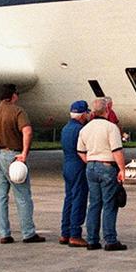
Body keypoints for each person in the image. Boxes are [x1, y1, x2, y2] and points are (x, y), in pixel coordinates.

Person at [0, 83, 43, 244]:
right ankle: (28, 233)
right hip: (12, 156)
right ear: (13, 96)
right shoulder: (18, 111)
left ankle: (4, 234)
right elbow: (27, 131)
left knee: (0, 197)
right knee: (22, 197)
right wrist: (24, 154)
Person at [77, 97, 127, 251]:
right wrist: (122, 169)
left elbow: (80, 151)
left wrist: (91, 162)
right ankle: (110, 240)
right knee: (110, 204)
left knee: (94, 204)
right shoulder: (111, 127)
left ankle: (92, 240)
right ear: (107, 110)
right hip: (107, 166)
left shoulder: (85, 129)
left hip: (91, 166)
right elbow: (116, 150)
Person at [59, 99, 90, 247]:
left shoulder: (65, 128)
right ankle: (75, 234)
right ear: (83, 114)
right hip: (78, 165)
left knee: (69, 199)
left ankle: (65, 232)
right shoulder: (81, 130)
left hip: (67, 164)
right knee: (79, 199)